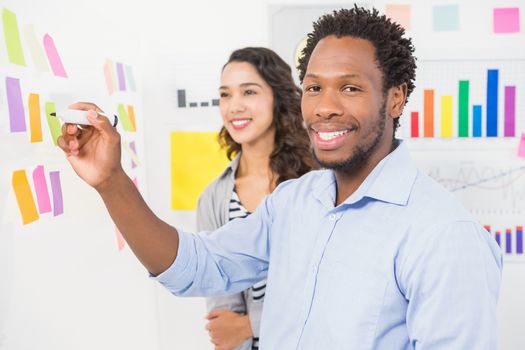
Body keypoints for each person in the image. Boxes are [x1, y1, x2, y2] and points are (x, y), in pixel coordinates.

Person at [58, 6, 502, 349]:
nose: (324, 106)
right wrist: (110, 181)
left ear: (395, 99)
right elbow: (196, 267)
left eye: (350, 87)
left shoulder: (444, 236)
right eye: (313, 87)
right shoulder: (293, 203)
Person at [197, 47, 315, 350]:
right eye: (225, 94)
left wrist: (251, 323)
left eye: (248, 92)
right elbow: (223, 319)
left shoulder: (317, 181)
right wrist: (239, 328)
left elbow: (331, 286)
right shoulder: (214, 198)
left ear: (278, 97)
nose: (234, 106)